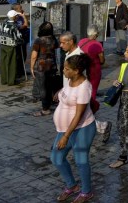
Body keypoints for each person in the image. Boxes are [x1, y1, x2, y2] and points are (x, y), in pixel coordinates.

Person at [50, 54, 96, 203]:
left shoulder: (84, 88)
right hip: (65, 129)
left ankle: (86, 192)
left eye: (67, 69)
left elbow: (78, 116)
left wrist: (65, 137)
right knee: (56, 158)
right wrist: (60, 93)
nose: (64, 70)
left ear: (76, 71)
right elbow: (68, 93)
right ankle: (72, 186)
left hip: (82, 129)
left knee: (81, 160)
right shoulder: (71, 80)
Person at [30, 22, 59, 116]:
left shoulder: (38, 41)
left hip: (41, 67)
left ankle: (45, 109)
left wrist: (31, 67)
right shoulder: (53, 39)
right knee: (50, 86)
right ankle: (50, 103)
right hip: (52, 65)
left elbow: (34, 56)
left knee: (43, 88)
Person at [0, 10, 23, 86]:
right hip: (10, 45)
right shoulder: (14, 26)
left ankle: (4, 80)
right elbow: (18, 37)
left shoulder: (2, 23)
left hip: (3, 44)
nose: (17, 17)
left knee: (4, 62)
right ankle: (11, 81)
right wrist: (21, 41)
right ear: (14, 17)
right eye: (16, 16)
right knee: (12, 63)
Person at [12, 3, 29, 80]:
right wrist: (24, 17)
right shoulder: (15, 18)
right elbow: (25, 25)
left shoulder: (20, 16)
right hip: (18, 40)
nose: (22, 9)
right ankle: (17, 72)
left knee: (24, 55)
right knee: (18, 56)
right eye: (20, 8)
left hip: (23, 39)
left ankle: (22, 70)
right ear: (15, 10)